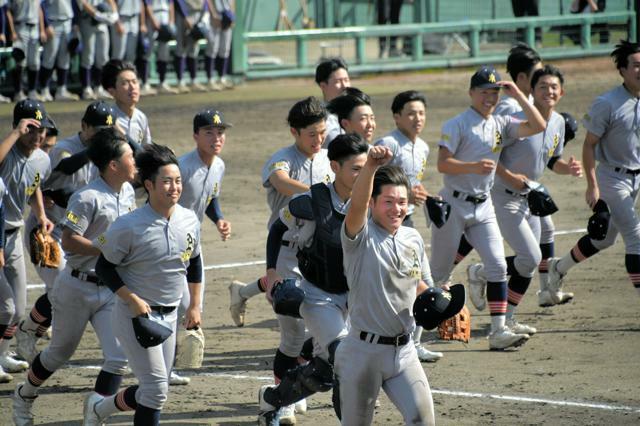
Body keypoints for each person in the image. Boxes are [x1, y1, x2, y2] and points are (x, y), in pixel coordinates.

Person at [12, 127, 136, 426]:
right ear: (113, 165)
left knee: (118, 357)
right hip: (76, 287)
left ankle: (96, 412)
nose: (136, 160)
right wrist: (106, 249)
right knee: (57, 354)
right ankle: (24, 395)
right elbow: (68, 241)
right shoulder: (87, 197)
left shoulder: (129, 191)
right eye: (130, 156)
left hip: (108, 289)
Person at [428, 66, 546, 350]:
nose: (489, 98)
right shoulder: (456, 124)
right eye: (484, 92)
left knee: (496, 266)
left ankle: (498, 332)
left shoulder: (502, 122)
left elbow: (538, 126)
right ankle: (414, 335)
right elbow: (443, 164)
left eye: (494, 92)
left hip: (484, 207)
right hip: (453, 204)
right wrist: (472, 166)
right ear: (471, 93)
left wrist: (518, 95)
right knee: (438, 274)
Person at [232, 97, 333, 424]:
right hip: (286, 252)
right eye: (311, 135)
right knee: (292, 333)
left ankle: (296, 384)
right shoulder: (281, 159)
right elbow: (280, 182)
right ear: (294, 132)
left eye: (322, 132)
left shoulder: (330, 159)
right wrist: (319, 195)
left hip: (319, 256)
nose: (318, 140)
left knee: (322, 329)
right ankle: (282, 399)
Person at [258, 133, 369, 425]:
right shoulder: (309, 202)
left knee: (324, 372)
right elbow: (277, 230)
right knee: (344, 356)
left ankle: (272, 398)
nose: (362, 175)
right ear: (335, 167)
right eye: (355, 169)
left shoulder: (373, 200)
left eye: (366, 168)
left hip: (355, 296)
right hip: (319, 295)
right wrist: (272, 272)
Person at [89, 143, 202, 425]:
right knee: (155, 390)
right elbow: (103, 266)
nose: (174, 187)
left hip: (171, 315)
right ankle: (99, 409)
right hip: (135, 317)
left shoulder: (189, 220)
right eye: (167, 182)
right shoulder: (128, 225)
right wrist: (132, 299)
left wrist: (195, 306)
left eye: (178, 181)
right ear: (149, 184)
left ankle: (99, 409)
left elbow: (195, 263)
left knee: (155, 386)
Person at [467, 65, 582, 334]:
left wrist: (569, 168)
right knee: (531, 257)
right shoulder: (515, 122)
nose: (548, 91)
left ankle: (504, 310)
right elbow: (490, 158)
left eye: (553, 87)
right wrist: (510, 178)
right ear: (532, 90)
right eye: (542, 86)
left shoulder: (559, 124)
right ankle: (483, 275)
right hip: (502, 196)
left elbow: (552, 160)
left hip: (528, 197)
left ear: (561, 92)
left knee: (529, 261)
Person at [336, 146, 435, 425]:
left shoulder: (412, 238)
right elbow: (356, 204)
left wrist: (445, 306)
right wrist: (369, 166)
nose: (397, 208)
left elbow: (417, 284)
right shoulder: (360, 238)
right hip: (362, 354)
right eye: (388, 201)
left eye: (402, 202)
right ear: (373, 203)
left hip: (405, 352)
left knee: (423, 422)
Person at [16, 100, 115, 364]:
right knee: (61, 284)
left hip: (80, 234)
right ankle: (27, 331)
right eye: (98, 130)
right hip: (47, 229)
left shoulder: (108, 154)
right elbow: (65, 170)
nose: (104, 135)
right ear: (84, 126)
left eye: (108, 130)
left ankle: (33, 329)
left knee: (71, 287)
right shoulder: (64, 149)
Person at [547, 41, 640, 301]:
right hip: (611, 178)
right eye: (636, 65)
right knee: (635, 237)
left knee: (604, 240)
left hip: (635, 177)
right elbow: (589, 146)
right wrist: (593, 185)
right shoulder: (607, 103)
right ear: (622, 70)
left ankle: (558, 267)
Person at [374, 90, 441, 362]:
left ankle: (414, 343)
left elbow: (411, 181)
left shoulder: (423, 146)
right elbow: (376, 180)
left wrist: (422, 194)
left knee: (420, 279)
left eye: (421, 113)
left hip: (407, 221)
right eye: (411, 113)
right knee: (406, 282)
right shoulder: (389, 143)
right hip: (386, 222)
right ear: (397, 116)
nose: (417, 118)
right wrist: (404, 195)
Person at [173, 107, 231, 385]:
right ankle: (162, 363)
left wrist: (218, 219)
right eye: (209, 132)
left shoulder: (218, 165)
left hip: (193, 245)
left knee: (193, 306)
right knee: (182, 304)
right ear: (196, 135)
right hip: (170, 245)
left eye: (220, 133)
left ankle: (169, 362)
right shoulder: (181, 168)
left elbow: (209, 199)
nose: (216, 138)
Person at [0, 100, 54, 375]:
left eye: (40, 129)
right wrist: (14, 134)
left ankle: (2, 354)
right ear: (19, 128)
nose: (37, 136)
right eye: (31, 129)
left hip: (14, 234)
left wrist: (42, 214)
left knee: (19, 309)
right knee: (6, 306)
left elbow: (34, 187)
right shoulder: (7, 154)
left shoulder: (42, 159)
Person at [102, 59, 152, 145]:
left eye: (134, 81)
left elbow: (147, 149)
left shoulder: (141, 117)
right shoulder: (108, 119)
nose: (132, 87)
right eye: (125, 83)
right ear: (112, 91)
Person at [38, 0, 80, 101]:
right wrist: (46, 25)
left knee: (65, 58)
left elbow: (74, 3)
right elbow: (41, 4)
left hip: (67, 22)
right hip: (53, 22)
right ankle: (44, 90)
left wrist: (75, 23)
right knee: (49, 58)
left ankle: (62, 90)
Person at [76, 0, 117, 100]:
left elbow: (110, 1)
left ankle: (99, 87)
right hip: (88, 20)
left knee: (103, 57)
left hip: (102, 22)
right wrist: (96, 14)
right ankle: (86, 88)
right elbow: (82, 3)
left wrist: (115, 14)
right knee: (88, 56)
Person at [6, 0, 47, 101]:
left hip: (34, 28)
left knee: (34, 62)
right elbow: (8, 11)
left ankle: (32, 91)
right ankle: (18, 92)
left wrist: (42, 29)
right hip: (20, 27)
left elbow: (39, 9)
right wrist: (12, 31)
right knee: (20, 62)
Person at [173, 0, 209, 92]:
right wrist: (184, 16)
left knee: (194, 49)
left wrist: (204, 13)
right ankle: (180, 81)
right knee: (181, 47)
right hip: (184, 14)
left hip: (198, 13)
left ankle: (193, 80)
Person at [141, 0, 176, 94]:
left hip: (165, 16)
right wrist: (153, 20)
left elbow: (171, 4)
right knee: (148, 51)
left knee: (164, 52)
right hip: (153, 16)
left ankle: (162, 82)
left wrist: (171, 21)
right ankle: (145, 83)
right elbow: (147, 4)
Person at [315, 58, 351, 147]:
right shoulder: (319, 118)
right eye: (338, 81)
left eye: (346, 80)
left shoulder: (355, 112)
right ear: (323, 86)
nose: (345, 86)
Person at [204, 0, 234, 90]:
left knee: (225, 48)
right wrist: (213, 14)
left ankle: (222, 78)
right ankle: (210, 79)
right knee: (212, 47)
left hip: (227, 15)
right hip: (214, 16)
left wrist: (232, 16)